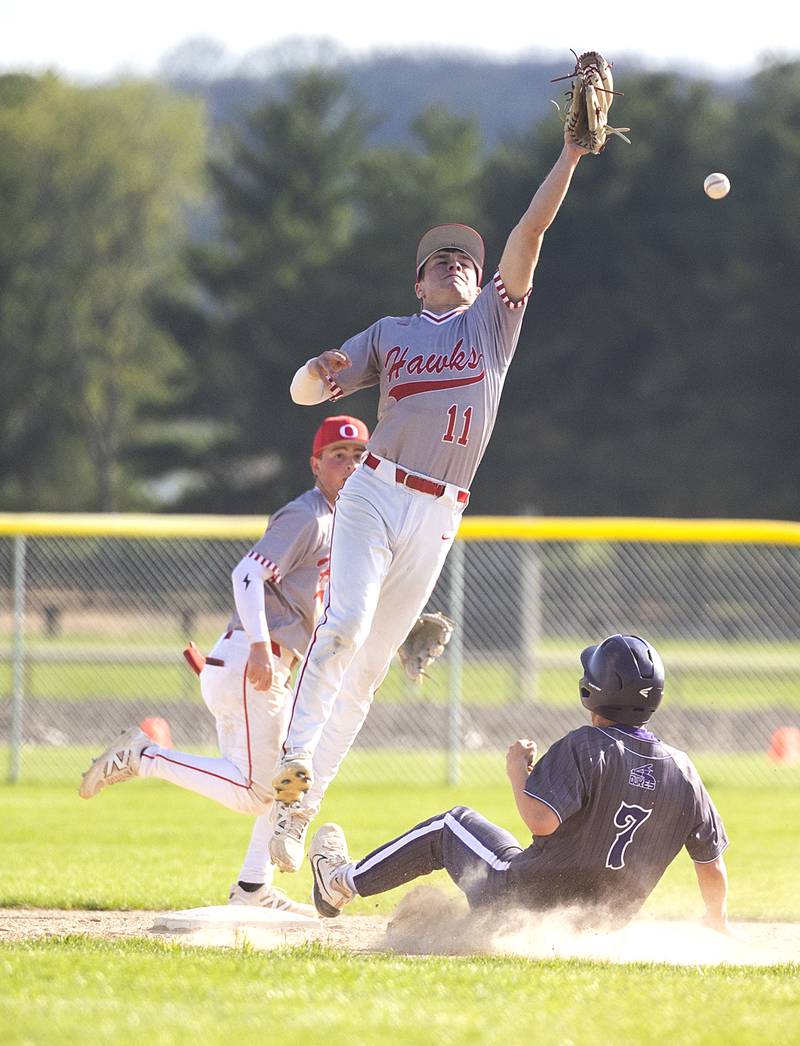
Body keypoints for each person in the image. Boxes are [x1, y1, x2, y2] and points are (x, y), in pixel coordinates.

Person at [269, 132, 595, 869]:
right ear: (418, 285)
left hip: (441, 512)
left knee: (370, 669)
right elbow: (303, 390)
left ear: (483, 285)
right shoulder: (390, 333)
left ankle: (300, 813)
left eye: (465, 261)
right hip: (375, 493)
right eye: (438, 261)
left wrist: (571, 154)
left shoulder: (493, 325)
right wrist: (318, 372)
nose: (454, 263)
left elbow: (529, 231)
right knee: (346, 624)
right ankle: (291, 774)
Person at [78, 416, 369, 916]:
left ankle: (253, 888)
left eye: (359, 456)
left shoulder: (343, 525)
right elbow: (246, 576)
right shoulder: (309, 517)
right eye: (338, 456)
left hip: (253, 664)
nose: (349, 464)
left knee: (282, 782)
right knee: (263, 793)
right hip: (253, 663)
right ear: (315, 464)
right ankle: (144, 755)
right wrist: (260, 646)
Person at [306, 634, 731, 936]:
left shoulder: (587, 746)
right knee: (500, 849)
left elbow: (541, 821)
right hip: (600, 923)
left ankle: (340, 883)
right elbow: (710, 862)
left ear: (591, 690)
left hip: (522, 898)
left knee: (451, 825)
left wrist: (517, 771)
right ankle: (443, 926)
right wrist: (716, 920)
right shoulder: (685, 771)